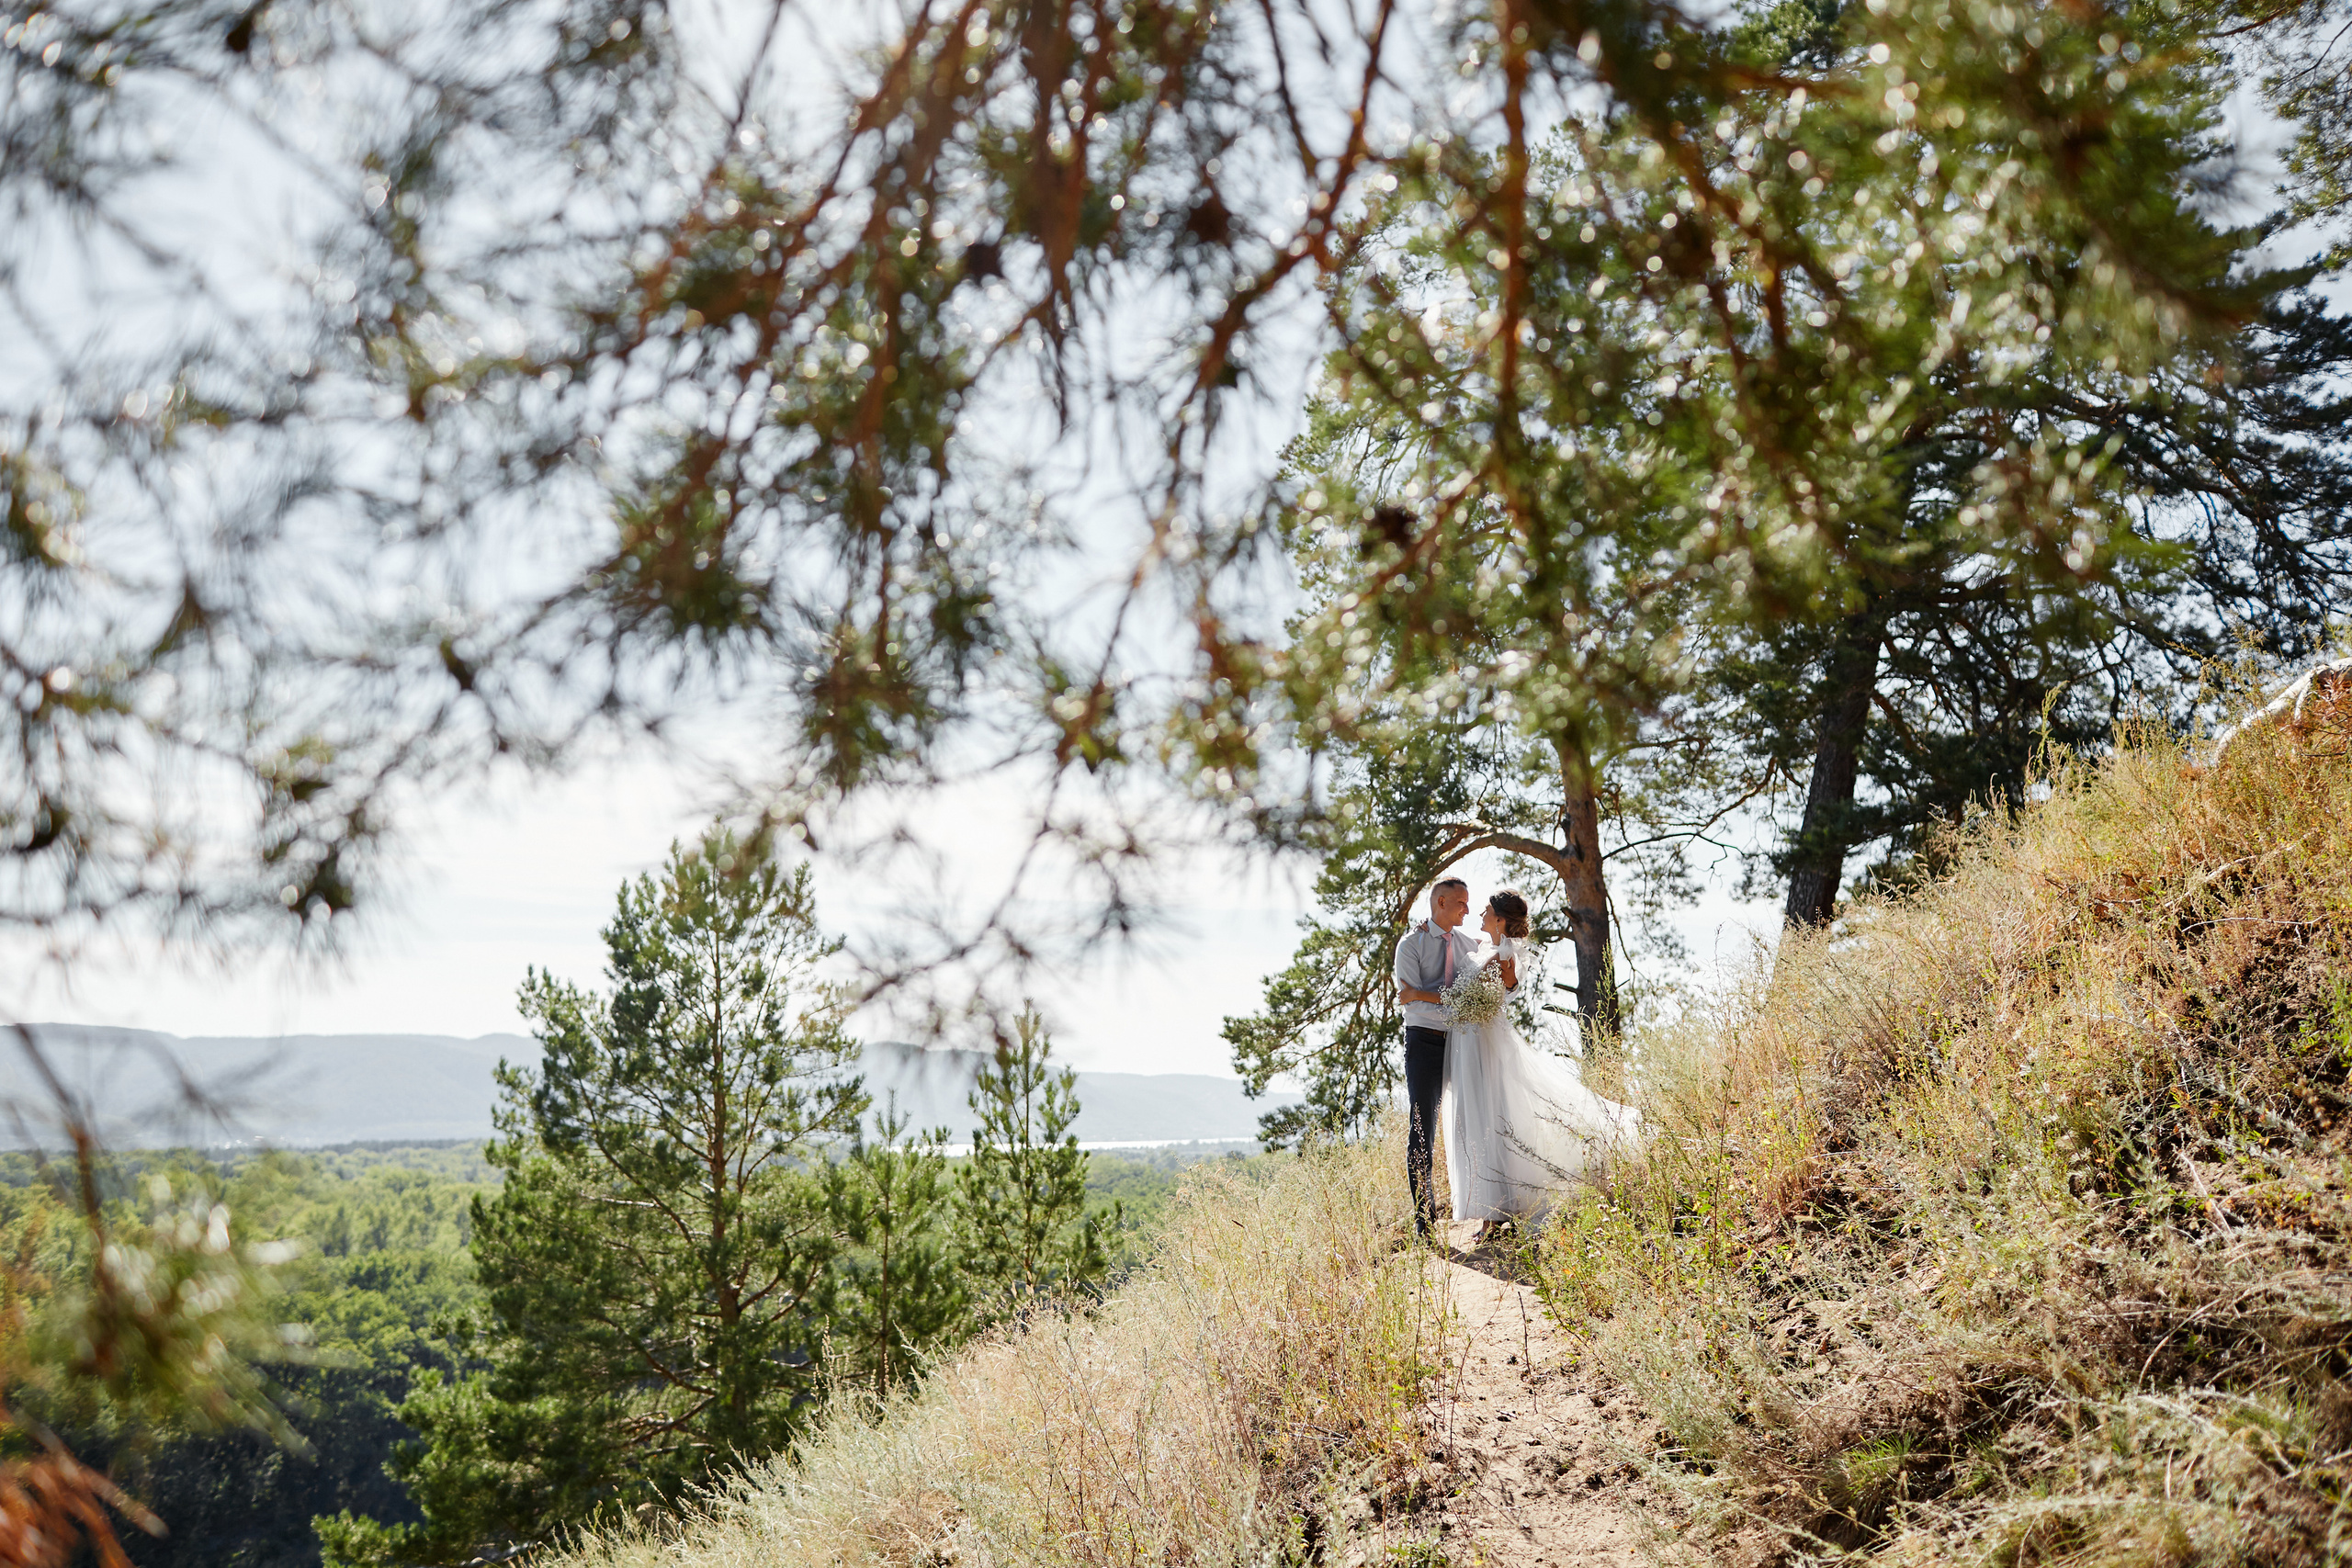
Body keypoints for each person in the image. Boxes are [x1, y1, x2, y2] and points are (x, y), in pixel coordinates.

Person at [1443, 889, 1639, 1230]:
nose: (1479, 914)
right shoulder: (1486, 946)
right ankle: (1491, 1210)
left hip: (1484, 1043)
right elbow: (1458, 936)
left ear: (1500, 920)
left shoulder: (1504, 955)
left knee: (1489, 1116)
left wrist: (1499, 973)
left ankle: (1495, 1213)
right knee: (1475, 1117)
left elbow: (1508, 983)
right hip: (1466, 1042)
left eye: (1487, 911)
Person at [1394, 877, 1474, 1239]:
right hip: (1424, 1043)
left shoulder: (1470, 945)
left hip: (1464, 1043)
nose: (1467, 910)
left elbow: (1421, 994)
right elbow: (1407, 998)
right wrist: (1447, 997)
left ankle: (1491, 1210)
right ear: (1440, 902)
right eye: (1460, 903)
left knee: (1481, 1117)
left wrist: (1429, 995)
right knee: (1422, 1129)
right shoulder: (1411, 944)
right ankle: (1424, 1222)